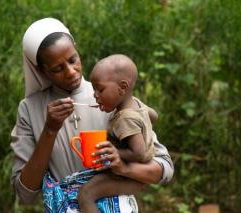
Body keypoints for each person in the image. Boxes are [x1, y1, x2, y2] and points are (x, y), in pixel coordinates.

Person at [10, 17, 174, 212]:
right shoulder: (29, 109)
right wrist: (50, 130)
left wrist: (123, 167)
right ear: (41, 70)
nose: (71, 72)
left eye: (73, 60)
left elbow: (164, 169)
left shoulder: (111, 96)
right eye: (57, 68)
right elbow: (25, 192)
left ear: (77, 50)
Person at [77, 54, 159, 212]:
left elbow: (139, 153)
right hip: (138, 173)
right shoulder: (136, 103)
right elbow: (154, 115)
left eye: (100, 89)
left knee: (85, 194)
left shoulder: (125, 119)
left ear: (122, 88)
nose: (95, 95)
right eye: (94, 90)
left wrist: (115, 152)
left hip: (130, 174)